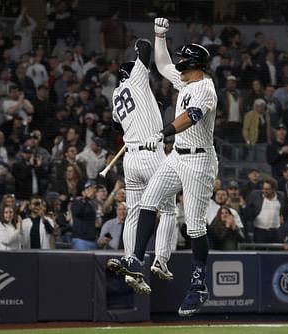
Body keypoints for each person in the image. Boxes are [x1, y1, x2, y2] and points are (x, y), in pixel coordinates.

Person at [108, 18, 218, 317]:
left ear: (194, 62)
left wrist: (164, 131)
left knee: (195, 226)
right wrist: (160, 35)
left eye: (184, 58)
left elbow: (191, 117)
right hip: (177, 155)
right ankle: (136, 260)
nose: (179, 61)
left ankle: (198, 286)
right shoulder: (185, 80)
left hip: (199, 161)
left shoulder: (205, 88)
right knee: (149, 200)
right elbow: (160, 62)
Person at [106, 38, 177, 288]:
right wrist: (138, 45)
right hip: (151, 154)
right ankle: (161, 259)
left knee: (134, 212)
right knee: (168, 209)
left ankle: (131, 262)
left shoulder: (116, 95)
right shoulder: (134, 78)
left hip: (131, 160)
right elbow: (145, 47)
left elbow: (116, 125)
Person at [245, 179, 285, 243]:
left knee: (277, 251)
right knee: (260, 251)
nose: (264, 191)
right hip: (260, 231)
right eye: (263, 188)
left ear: (274, 189)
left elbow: (284, 209)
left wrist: (281, 216)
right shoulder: (255, 195)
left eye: (267, 189)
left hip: (275, 231)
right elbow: (248, 210)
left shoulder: (281, 196)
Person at [71, 181, 101, 250]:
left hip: (93, 240)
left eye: (95, 189)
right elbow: (76, 212)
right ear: (84, 191)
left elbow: (97, 224)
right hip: (81, 240)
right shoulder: (78, 201)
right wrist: (85, 198)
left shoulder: (93, 204)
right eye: (92, 189)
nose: (94, 191)